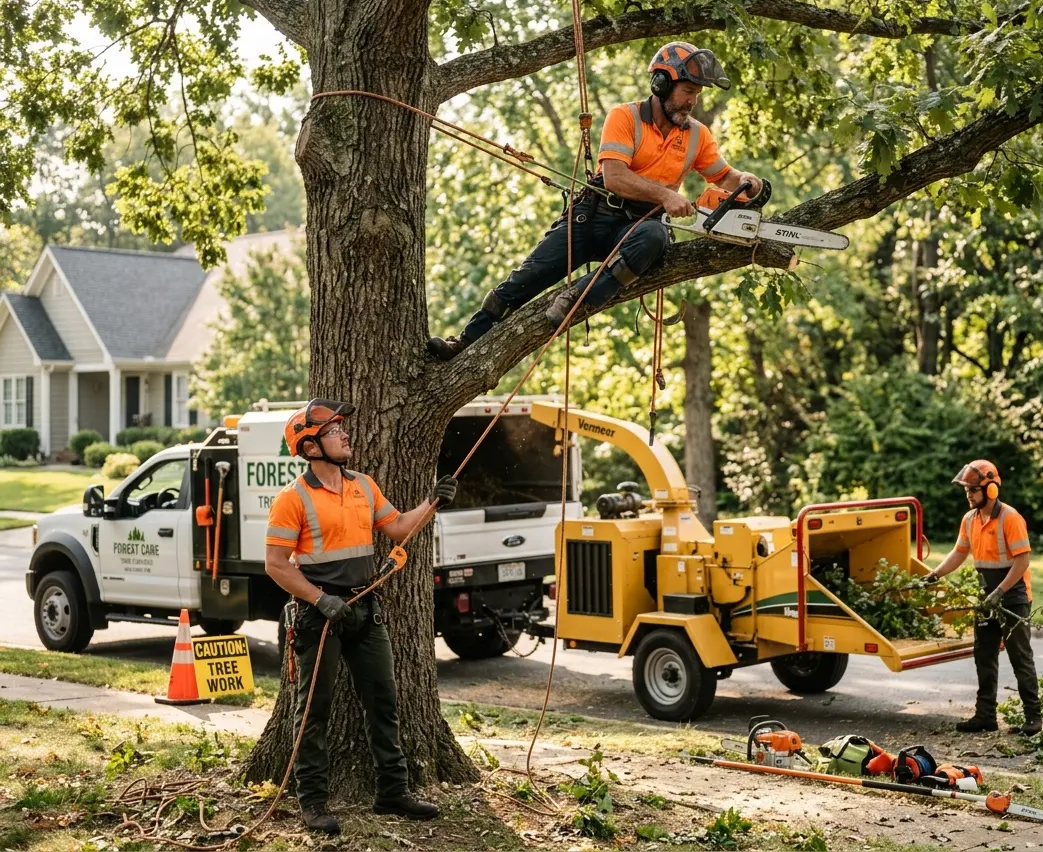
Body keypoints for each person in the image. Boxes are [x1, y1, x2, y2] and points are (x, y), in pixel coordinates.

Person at [427, 41, 763, 360]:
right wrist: (665, 194)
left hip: (636, 228)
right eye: (688, 91)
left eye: (697, 94)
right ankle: (465, 342)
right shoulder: (625, 117)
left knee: (656, 237)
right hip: (592, 217)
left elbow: (726, 178)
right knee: (523, 280)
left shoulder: (697, 136)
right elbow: (615, 177)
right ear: (661, 84)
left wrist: (752, 184)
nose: (693, 101)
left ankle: (578, 297)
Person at [264, 398, 459, 835]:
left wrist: (433, 502)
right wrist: (319, 600)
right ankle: (312, 802)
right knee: (313, 710)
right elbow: (276, 565)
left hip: (365, 611)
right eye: (334, 430)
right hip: (321, 616)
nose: (345, 434)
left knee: (384, 700)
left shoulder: (363, 486)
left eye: (340, 428)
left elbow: (398, 528)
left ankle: (392, 791)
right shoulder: (291, 499)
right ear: (310, 446)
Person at [921, 459, 1042, 736]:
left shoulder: (1011, 518)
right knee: (984, 656)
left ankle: (1033, 719)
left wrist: (1000, 592)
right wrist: (934, 574)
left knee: (1020, 658)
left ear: (990, 490)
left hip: (1013, 598)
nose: (968, 495)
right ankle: (985, 715)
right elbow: (959, 553)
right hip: (984, 597)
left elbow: (1022, 561)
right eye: (966, 490)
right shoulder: (969, 520)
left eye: (973, 490)